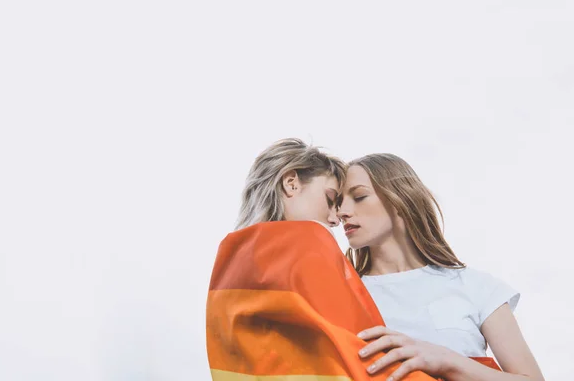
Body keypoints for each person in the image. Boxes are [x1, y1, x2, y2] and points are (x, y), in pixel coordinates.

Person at [206, 139, 440, 381]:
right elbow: (368, 355)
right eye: (330, 200)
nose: (335, 218)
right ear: (291, 183)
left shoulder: (229, 262)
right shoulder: (310, 244)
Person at [338, 153, 544, 381]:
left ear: (400, 198)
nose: (341, 212)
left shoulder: (478, 287)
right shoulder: (342, 294)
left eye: (359, 196)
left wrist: (447, 361)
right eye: (337, 202)